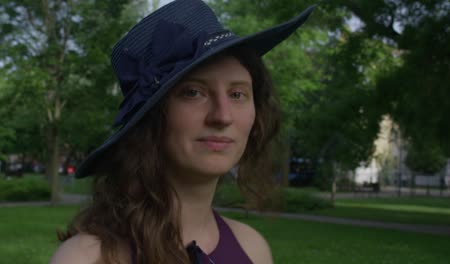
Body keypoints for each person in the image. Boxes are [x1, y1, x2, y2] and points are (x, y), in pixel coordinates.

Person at [50, 0, 314, 263]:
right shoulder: (87, 258)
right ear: (151, 120)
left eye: (237, 94)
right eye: (193, 92)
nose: (222, 116)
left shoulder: (253, 250)